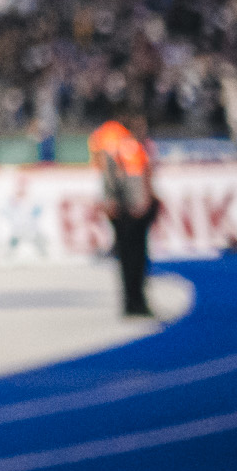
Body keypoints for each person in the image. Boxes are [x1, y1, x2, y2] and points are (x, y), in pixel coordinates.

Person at [91, 112, 158, 318]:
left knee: (136, 258)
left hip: (133, 209)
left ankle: (136, 300)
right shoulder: (124, 147)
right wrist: (113, 202)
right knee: (132, 258)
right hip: (129, 211)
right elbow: (112, 177)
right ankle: (133, 301)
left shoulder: (136, 147)